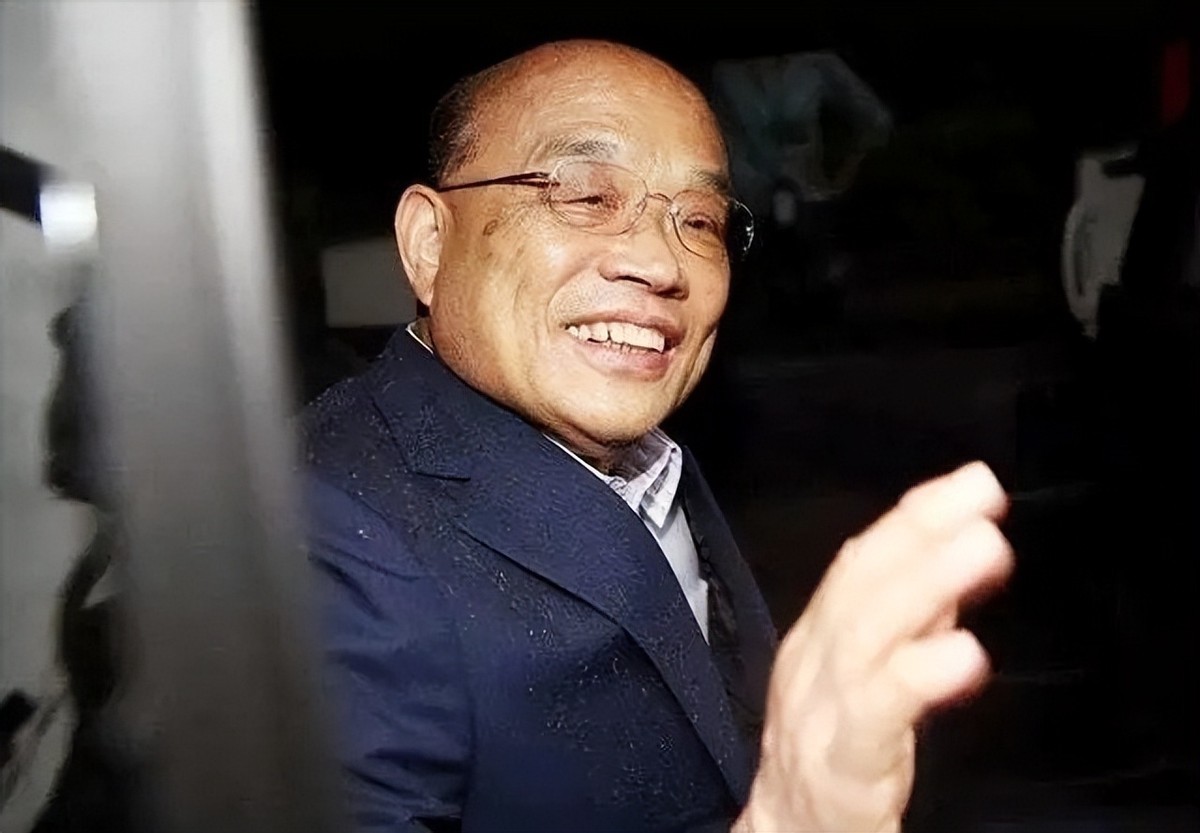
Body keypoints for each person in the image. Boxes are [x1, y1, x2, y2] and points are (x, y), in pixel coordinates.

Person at [302, 39, 1013, 833]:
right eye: (584, 196)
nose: (660, 262)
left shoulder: (638, 445)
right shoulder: (325, 535)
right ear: (429, 243)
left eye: (699, 220)